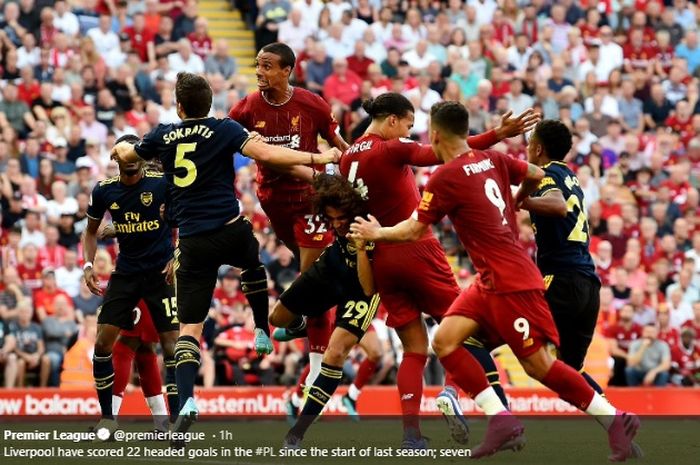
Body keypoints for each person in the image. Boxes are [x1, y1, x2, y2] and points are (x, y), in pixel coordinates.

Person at [350, 101, 641, 461]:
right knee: (445, 340)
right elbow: (535, 173)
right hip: (491, 279)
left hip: (511, 281)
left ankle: (615, 419)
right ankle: (500, 419)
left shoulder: (444, 177)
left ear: (437, 134)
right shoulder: (497, 160)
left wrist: (376, 233)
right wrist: (514, 200)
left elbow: (413, 230)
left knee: (538, 366)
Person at [110, 71, 340, 436]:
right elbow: (265, 153)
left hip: (191, 240)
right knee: (252, 260)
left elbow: (127, 153)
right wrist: (319, 157)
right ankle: (262, 328)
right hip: (230, 227)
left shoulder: (161, 135)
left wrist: (121, 150)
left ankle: (186, 401)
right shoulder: (224, 128)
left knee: (190, 329)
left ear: (179, 106)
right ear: (210, 103)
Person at [338, 92, 538, 447]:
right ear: (393, 121)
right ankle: (459, 395)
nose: (412, 133)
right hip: (415, 248)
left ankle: (411, 434)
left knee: (414, 349)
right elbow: (445, 151)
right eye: (410, 125)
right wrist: (497, 133)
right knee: (467, 329)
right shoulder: (391, 148)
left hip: (381, 256)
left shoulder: (347, 158)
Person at [228, 42, 348, 420]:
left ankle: (314, 377)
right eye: (257, 66)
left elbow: (339, 146)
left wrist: (356, 168)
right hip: (273, 201)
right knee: (313, 282)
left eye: (266, 66)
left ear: (287, 71)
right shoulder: (248, 106)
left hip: (310, 199)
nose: (260, 72)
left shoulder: (312, 105)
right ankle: (294, 321)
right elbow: (226, 138)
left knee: (313, 279)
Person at [267, 174, 379, 446]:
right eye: (332, 218)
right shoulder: (333, 220)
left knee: (335, 354)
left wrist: (362, 249)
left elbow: (367, 287)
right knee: (277, 317)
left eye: (342, 218)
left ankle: (297, 432)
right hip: (332, 265)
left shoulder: (368, 224)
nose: (338, 224)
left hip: (362, 288)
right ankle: (302, 326)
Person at [83, 133, 179, 437]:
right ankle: (110, 418)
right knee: (107, 343)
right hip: (125, 275)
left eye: (136, 157)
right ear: (116, 160)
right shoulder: (105, 191)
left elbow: (185, 220)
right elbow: (90, 231)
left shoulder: (161, 184)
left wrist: (177, 256)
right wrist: (88, 264)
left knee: (162, 347)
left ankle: (172, 423)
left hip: (159, 275)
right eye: (126, 158)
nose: (133, 163)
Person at [519, 120, 604, 394]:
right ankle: (617, 421)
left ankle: (499, 416)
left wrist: (522, 202)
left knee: (500, 333)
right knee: (571, 370)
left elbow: (557, 206)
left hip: (561, 281)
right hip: (588, 284)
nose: (527, 148)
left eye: (529, 143)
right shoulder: (571, 177)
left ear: (538, 148)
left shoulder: (546, 173)